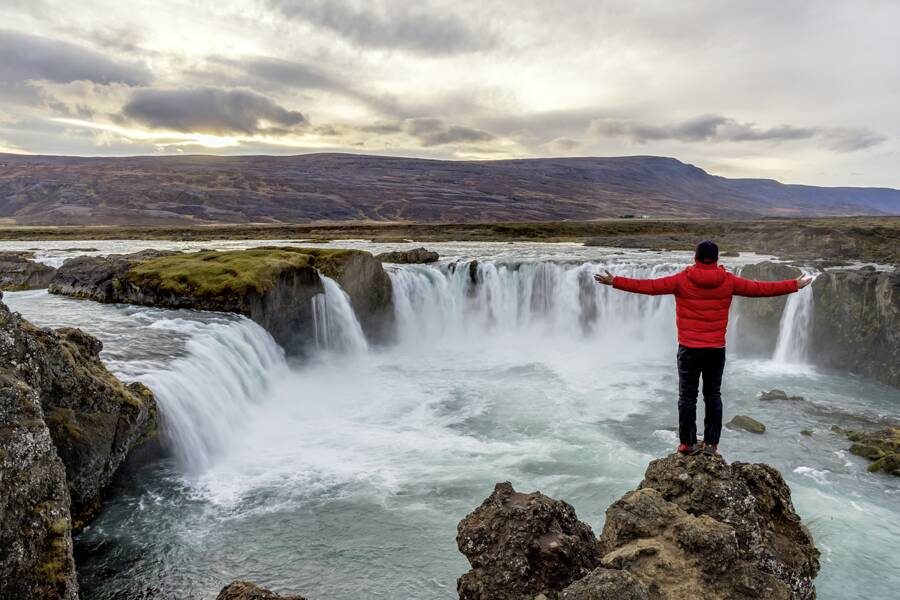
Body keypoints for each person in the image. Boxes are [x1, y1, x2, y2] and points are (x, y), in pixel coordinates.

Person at [594, 241, 812, 456]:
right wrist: (794, 284)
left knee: (687, 397)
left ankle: (688, 444)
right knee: (713, 395)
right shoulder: (729, 281)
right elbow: (761, 289)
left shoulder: (682, 280)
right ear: (717, 260)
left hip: (689, 348)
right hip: (716, 349)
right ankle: (711, 444)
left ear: (695, 257)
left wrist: (615, 281)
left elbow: (649, 287)